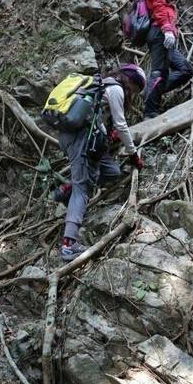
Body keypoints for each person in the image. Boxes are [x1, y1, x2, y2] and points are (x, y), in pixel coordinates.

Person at [52, 64, 146, 261]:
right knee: (82, 189)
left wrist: (108, 134)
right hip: (81, 139)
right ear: (131, 81)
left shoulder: (101, 86)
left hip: (80, 139)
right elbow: (121, 124)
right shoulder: (116, 88)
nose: (134, 94)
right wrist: (133, 154)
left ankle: (67, 189)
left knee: (112, 172)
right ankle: (69, 244)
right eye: (136, 89)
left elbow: (98, 117)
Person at [139, 0, 193, 118]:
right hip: (160, 32)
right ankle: (150, 112)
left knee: (185, 70)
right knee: (159, 72)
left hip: (161, 33)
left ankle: (151, 92)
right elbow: (158, 6)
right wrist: (167, 29)